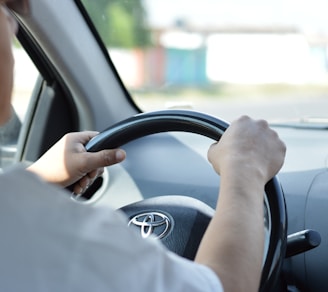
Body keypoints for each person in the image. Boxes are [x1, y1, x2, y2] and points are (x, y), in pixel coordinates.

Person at [0, 1, 286, 291]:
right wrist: (245, 170)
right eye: (3, 8)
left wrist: (37, 180)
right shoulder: (42, 231)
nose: (12, 25)